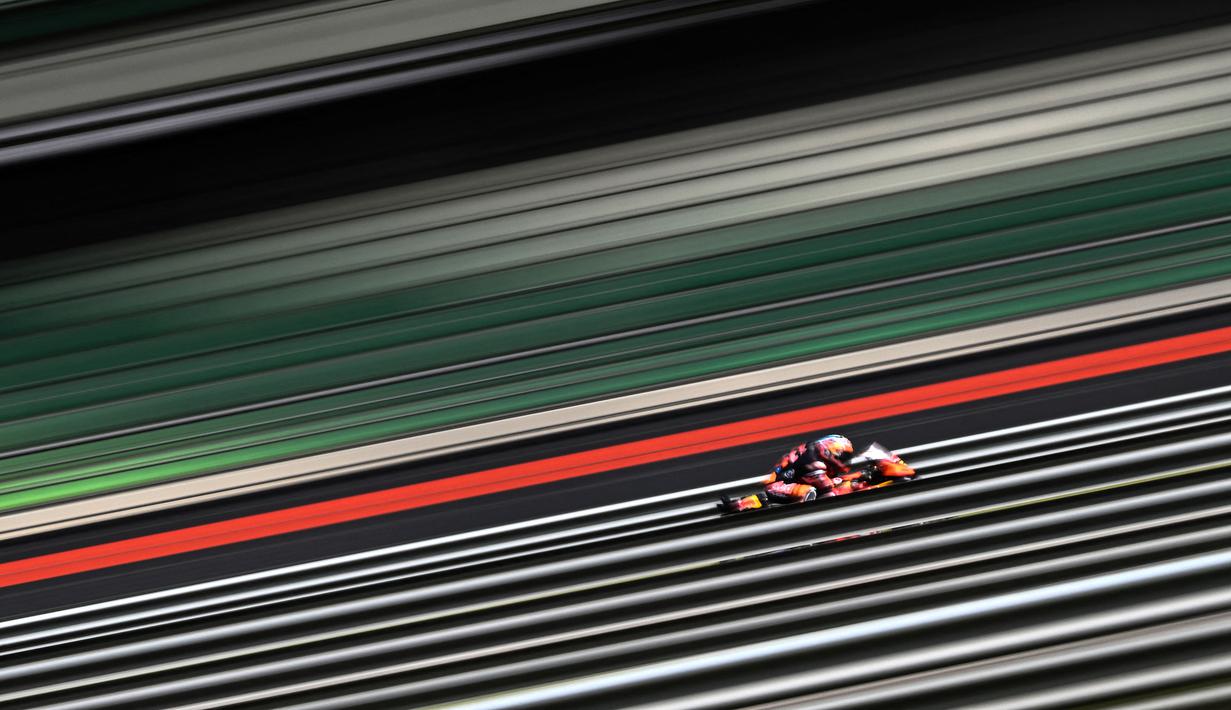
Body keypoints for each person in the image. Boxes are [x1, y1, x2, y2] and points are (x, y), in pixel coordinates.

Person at [720, 434, 915, 513]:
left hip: (788, 482)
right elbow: (830, 493)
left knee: (840, 482)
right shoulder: (815, 465)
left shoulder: (814, 454)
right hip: (782, 488)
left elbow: (837, 480)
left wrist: (862, 476)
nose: (845, 460)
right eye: (843, 456)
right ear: (831, 451)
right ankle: (744, 503)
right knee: (813, 493)